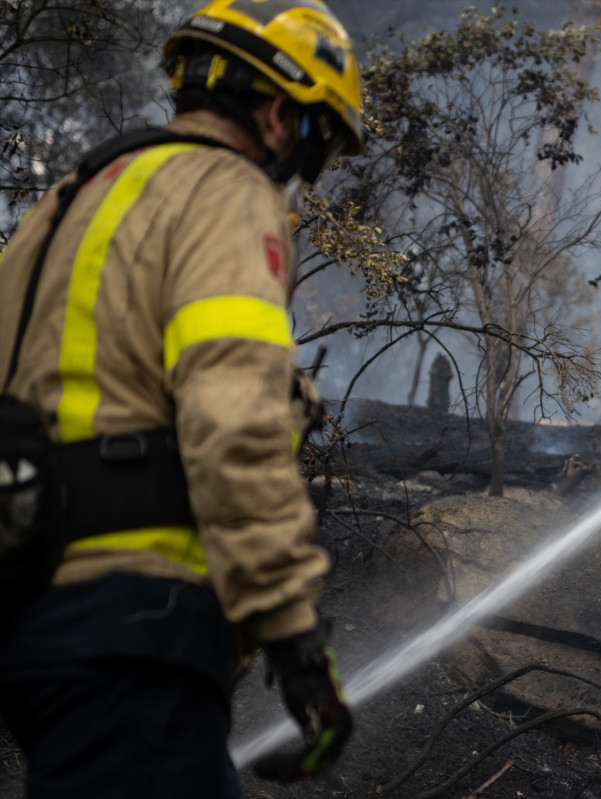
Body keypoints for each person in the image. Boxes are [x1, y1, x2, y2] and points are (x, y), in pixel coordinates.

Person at [0, 1, 365, 796]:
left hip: (36, 620)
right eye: (317, 145)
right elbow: (234, 421)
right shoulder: (226, 192)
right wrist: (294, 636)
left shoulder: (66, 203)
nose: (304, 175)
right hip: (139, 616)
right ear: (278, 113)